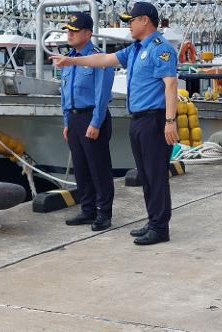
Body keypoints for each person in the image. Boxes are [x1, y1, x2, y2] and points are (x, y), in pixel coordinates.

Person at [51, 2, 179, 245]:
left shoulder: (160, 49)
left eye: (131, 20)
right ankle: (153, 221)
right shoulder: (134, 50)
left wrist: (170, 121)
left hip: (155, 118)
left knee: (156, 175)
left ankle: (160, 228)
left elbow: (170, 84)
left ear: (145, 20)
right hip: (139, 119)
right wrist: (71, 62)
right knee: (146, 174)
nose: (128, 25)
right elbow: (105, 59)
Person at [60, 12, 115, 232]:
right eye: (68, 30)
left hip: (92, 117)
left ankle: (104, 213)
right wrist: (66, 121)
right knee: (81, 168)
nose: (69, 34)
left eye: (74, 30)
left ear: (88, 33)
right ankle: (87, 209)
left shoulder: (98, 58)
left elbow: (102, 94)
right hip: (74, 119)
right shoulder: (68, 59)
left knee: (98, 168)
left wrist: (96, 122)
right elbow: (64, 93)